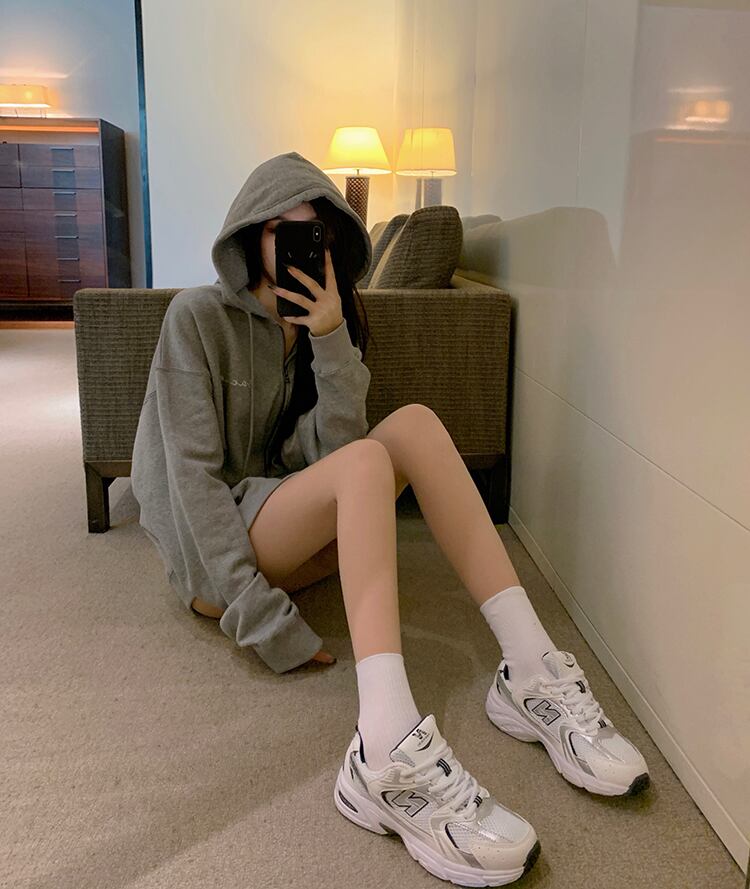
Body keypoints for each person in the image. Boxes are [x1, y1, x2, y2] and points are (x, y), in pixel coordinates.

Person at [130, 150, 649, 887]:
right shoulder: (196, 317)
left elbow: (334, 453)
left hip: (291, 525)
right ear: (250, 235)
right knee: (369, 464)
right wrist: (260, 618)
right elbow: (189, 485)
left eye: (318, 234)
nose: (303, 248)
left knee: (413, 425)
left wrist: (330, 339)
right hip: (214, 559)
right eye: (283, 231)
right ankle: (383, 748)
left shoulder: (324, 325)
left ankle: (530, 670)